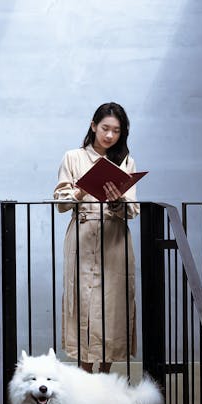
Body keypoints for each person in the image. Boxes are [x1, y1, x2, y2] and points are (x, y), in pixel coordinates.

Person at [53, 102, 140, 373]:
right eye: (105, 128)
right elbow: (60, 203)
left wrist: (117, 201)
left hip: (114, 241)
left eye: (116, 131)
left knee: (114, 308)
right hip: (83, 238)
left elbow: (133, 210)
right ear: (93, 126)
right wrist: (79, 192)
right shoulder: (73, 158)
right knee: (83, 307)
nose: (110, 136)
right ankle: (84, 380)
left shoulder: (126, 161)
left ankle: (105, 379)